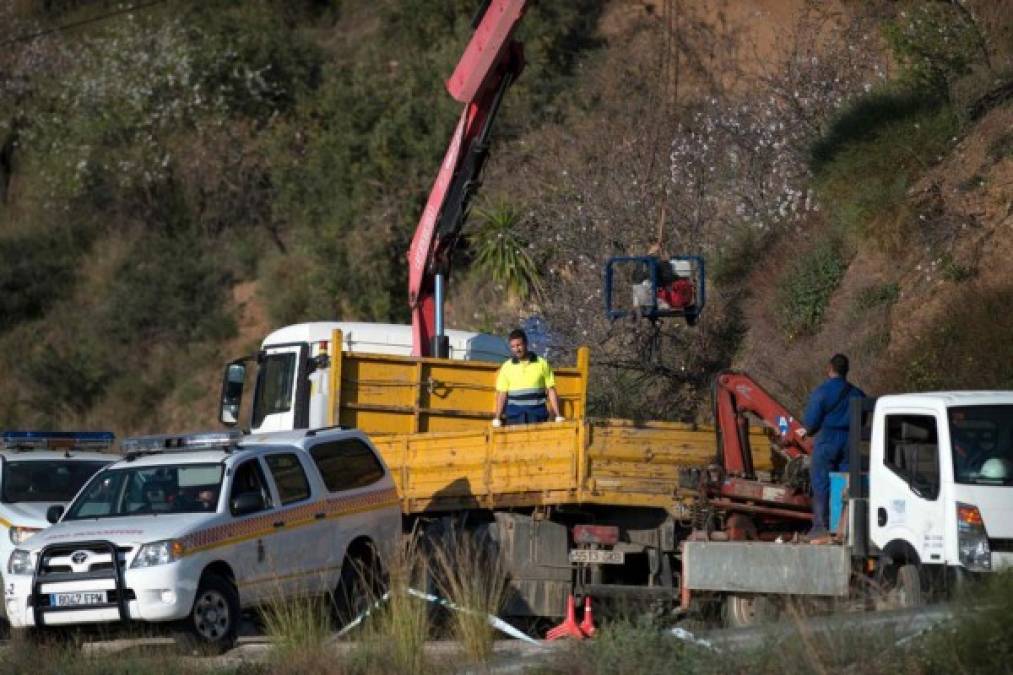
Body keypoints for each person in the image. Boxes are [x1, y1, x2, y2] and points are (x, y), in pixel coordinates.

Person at [795, 354, 865, 537]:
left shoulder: (822, 392)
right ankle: (844, 527)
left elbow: (811, 422)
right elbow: (864, 417)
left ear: (829, 368)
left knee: (821, 482)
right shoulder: (857, 393)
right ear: (847, 370)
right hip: (851, 441)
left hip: (827, 440)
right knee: (846, 482)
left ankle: (820, 527)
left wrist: (807, 432)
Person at [493, 329, 564, 427]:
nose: (516, 349)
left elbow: (551, 390)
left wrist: (558, 415)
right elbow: (502, 395)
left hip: (537, 416)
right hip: (514, 417)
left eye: (519, 345)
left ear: (526, 343)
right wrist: (497, 417)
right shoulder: (506, 367)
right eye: (513, 346)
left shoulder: (542, 363)